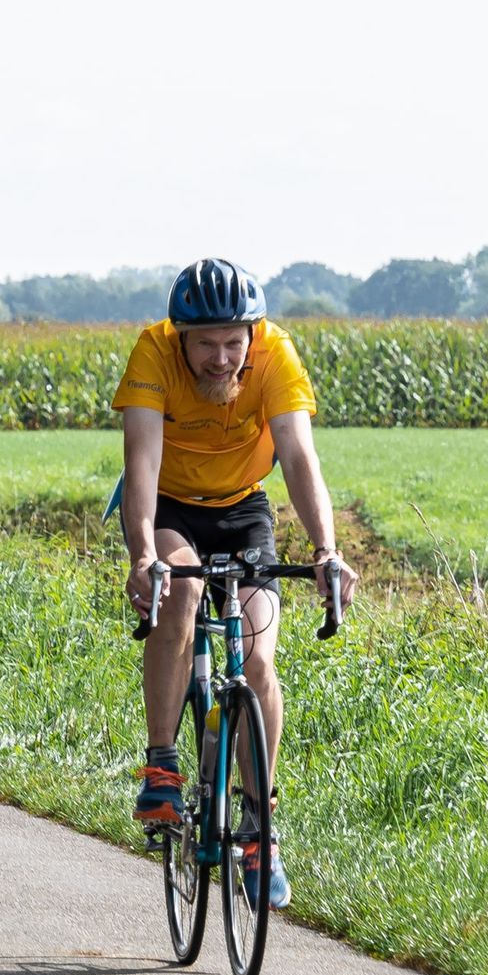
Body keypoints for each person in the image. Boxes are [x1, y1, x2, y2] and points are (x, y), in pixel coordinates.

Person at [111, 257, 360, 910]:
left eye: (232, 342)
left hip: (243, 508)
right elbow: (140, 461)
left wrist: (327, 552)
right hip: (170, 506)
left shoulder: (275, 354)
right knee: (183, 594)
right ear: (180, 337)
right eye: (206, 344)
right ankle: (163, 764)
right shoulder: (153, 353)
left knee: (256, 657)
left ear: (252, 335)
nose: (221, 358)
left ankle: (260, 829)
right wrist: (143, 557)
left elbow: (300, 456)